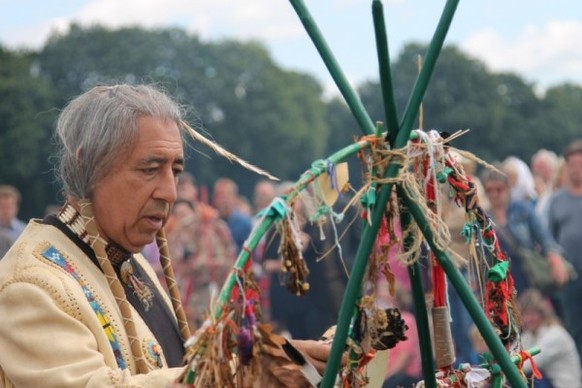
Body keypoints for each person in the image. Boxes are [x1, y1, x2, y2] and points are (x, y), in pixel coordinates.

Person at [0, 84, 331, 387]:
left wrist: (275, 357)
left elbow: (178, 361)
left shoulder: (126, 258)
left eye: (175, 171)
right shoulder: (30, 285)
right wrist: (247, 372)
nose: (170, 192)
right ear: (87, 167)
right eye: (149, 169)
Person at [481, 166, 569, 293]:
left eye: (499, 189)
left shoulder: (523, 209)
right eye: (489, 190)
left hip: (526, 273)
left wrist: (555, 260)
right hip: (499, 278)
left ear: (507, 189)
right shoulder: (483, 219)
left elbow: (544, 237)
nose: (494, 194)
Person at [166, 198, 236, 328]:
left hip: (211, 288)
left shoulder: (215, 230)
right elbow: (173, 262)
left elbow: (229, 258)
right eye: (178, 215)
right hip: (186, 290)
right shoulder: (175, 236)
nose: (183, 219)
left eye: (185, 214)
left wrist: (208, 263)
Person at [547, 139, 582, 362]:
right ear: (566, 167)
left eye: (580, 164)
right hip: (570, 276)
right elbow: (548, 237)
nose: (576, 169)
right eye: (572, 164)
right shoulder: (557, 200)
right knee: (575, 329)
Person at [518, 288, 582, 388]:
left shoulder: (554, 335)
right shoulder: (530, 335)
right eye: (525, 314)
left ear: (542, 313)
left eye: (532, 314)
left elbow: (527, 365)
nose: (528, 319)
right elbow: (515, 351)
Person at [212, 177, 253, 252]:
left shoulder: (245, 224)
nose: (224, 200)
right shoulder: (210, 222)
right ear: (215, 199)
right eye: (221, 196)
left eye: (228, 195)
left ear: (235, 198)